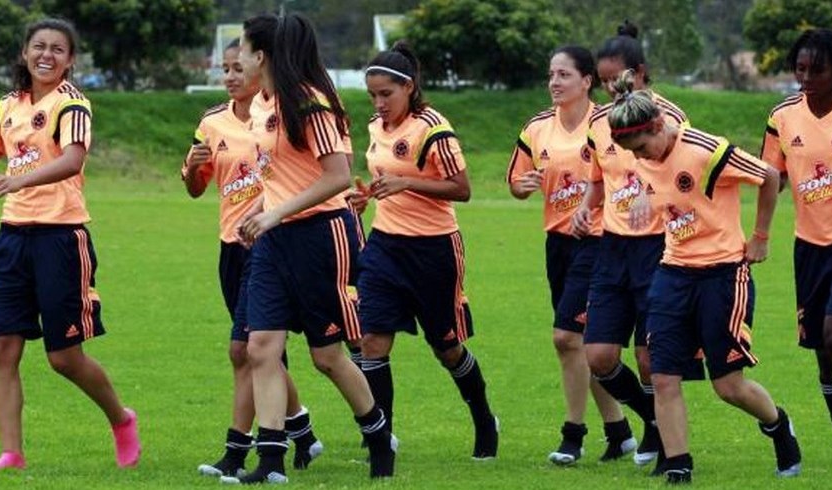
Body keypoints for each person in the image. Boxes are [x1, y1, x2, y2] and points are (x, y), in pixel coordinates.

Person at [221, 13, 395, 484]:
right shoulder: (261, 104)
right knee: (261, 346)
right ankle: (271, 461)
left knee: (326, 356)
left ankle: (379, 436)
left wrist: (275, 213)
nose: (236, 56)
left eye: (242, 47)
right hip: (274, 242)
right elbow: (279, 176)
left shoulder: (311, 102)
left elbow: (337, 176)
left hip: (321, 236)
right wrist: (258, 210)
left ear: (261, 56)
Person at [607, 70, 801, 483]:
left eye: (642, 148)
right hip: (673, 272)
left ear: (659, 125)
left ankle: (778, 425)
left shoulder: (707, 151)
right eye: (633, 153)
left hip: (723, 275)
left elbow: (768, 176)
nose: (640, 158)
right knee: (661, 375)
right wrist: (642, 192)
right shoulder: (644, 153)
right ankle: (679, 464)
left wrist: (761, 236)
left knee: (727, 385)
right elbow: (647, 174)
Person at [0, 18, 140, 470]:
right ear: (25, 52)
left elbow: (72, 160)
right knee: (0, 348)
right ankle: (12, 453)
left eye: (57, 49)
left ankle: (121, 419)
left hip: (61, 239)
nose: (46, 55)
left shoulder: (73, 104)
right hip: (11, 241)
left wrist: (17, 180)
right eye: (38, 46)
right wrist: (7, 183)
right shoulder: (5, 107)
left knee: (63, 358)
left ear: (69, 60)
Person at [348, 41, 499, 460]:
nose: (378, 104)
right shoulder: (375, 128)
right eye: (372, 96)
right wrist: (366, 199)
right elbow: (386, 181)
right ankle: (382, 439)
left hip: (434, 252)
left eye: (386, 95)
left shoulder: (433, 128)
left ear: (409, 87)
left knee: (446, 348)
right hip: (383, 246)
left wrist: (407, 183)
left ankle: (484, 418)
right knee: (372, 342)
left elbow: (462, 190)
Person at [181, 38, 322, 478]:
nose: (230, 77)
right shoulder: (211, 123)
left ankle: (241, 449)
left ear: (261, 67)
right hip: (232, 245)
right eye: (224, 69)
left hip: (274, 241)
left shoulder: (278, 114)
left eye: (238, 68)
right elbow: (195, 186)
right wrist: (191, 169)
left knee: (245, 349)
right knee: (262, 352)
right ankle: (300, 430)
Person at [571, 21, 694, 469]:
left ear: (640, 74)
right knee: (599, 355)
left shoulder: (669, 117)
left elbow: (684, 175)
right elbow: (598, 179)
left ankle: (667, 443)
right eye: (603, 81)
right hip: (612, 248)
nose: (609, 89)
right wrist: (586, 207)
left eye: (616, 78)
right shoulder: (599, 124)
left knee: (649, 358)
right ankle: (654, 422)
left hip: (658, 248)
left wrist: (650, 190)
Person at [507, 45, 634, 465]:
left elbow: (628, 177)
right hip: (557, 243)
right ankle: (620, 431)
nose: (554, 83)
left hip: (600, 243)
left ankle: (573, 434)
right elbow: (515, 180)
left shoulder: (608, 123)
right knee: (585, 342)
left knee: (566, 337)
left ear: (586, 81)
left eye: (563, 75)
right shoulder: (537, 127)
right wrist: (521, 186)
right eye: (551, 75)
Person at [761, 28, 832, 462]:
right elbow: (770, 178)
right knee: (822, 355)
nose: (806, 77)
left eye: (817, 69)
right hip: (809, 247)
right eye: (800, 68)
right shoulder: (782, 117)